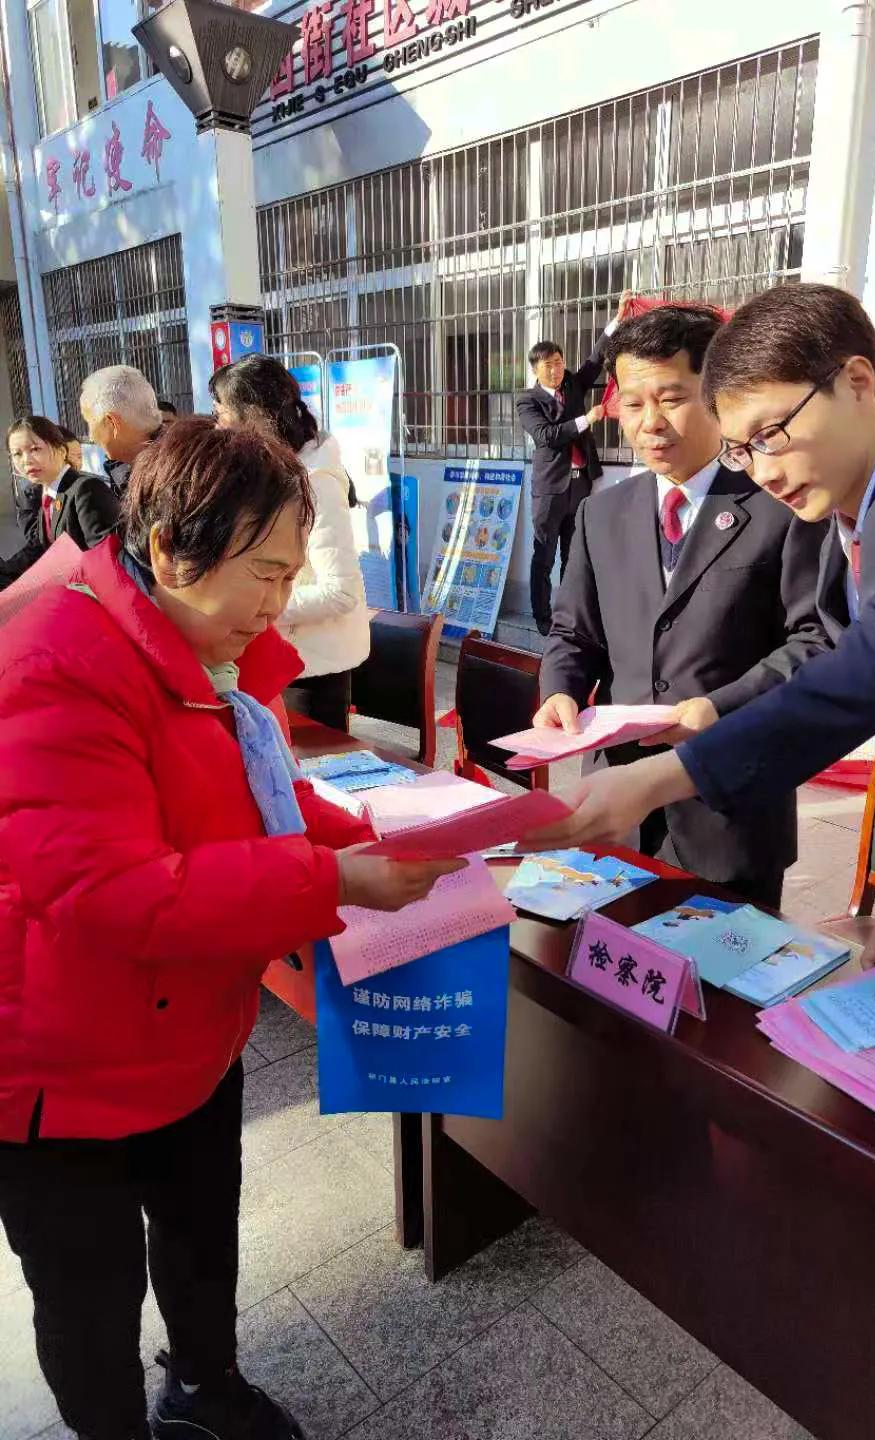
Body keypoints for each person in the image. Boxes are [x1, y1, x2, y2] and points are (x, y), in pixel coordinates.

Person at [0, 417, 459, 1440]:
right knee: (89, 1294)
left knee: (203, 1236)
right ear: (169, 548)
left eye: (292, 572)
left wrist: (392, 824)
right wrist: (332, 878)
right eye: (263, 571)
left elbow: (260, 800)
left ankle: (205, 1386)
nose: (279, 600)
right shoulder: (54, 658)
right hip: (63, 1067)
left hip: (192, 1029)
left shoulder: (207, 653)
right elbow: (113, 892)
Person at [528, 283, 875, 1025]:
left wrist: (673, 772)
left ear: (856, 381)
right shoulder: (843, 533)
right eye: (740, 447)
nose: (760, 470)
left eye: (772, 434)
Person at [534, 305, 829, 906]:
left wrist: (718, 708)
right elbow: (574, 634)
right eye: (633, 404)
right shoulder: (601, 513)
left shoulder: (780, 504)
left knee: (722, 992)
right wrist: (558, 690)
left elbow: (817, 640)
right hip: (617, 811)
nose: (650, 424)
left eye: (670, 399)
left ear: (717, 396)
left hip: (731, 816)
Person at [210, 355, 369, 731]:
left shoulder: (315, 483)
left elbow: (341, 591)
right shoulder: (269, 471)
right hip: (275, 653)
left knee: (311, 778)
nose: (217, 424)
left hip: (312, 669)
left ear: (253, 415)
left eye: (222, 412)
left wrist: (260, 607)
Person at [517, 291, 633, 635]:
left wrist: (618, 318)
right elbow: (546, 436)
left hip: (580, 483)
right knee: (544, 556)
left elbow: (596, 360)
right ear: (536, 370)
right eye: (547, 365)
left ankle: (569, 613)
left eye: (558, 361)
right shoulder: (528, 400)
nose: (555, 368)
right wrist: (589, 418)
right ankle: (542, 617)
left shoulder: (572, 384)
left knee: (574, 553)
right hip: (550, 490)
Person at [1, 415, 119, 588]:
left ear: (61, 451)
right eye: (17, 454)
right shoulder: (47, 494)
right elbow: (40, 550)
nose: (26, 460)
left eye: (35, 449)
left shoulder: (86, 489)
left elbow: (105, 557)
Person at [80, 364, 163, 494]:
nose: (91, 436)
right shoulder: (162, 459)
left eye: (91, 423)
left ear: (111, 423)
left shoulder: (164, 477)